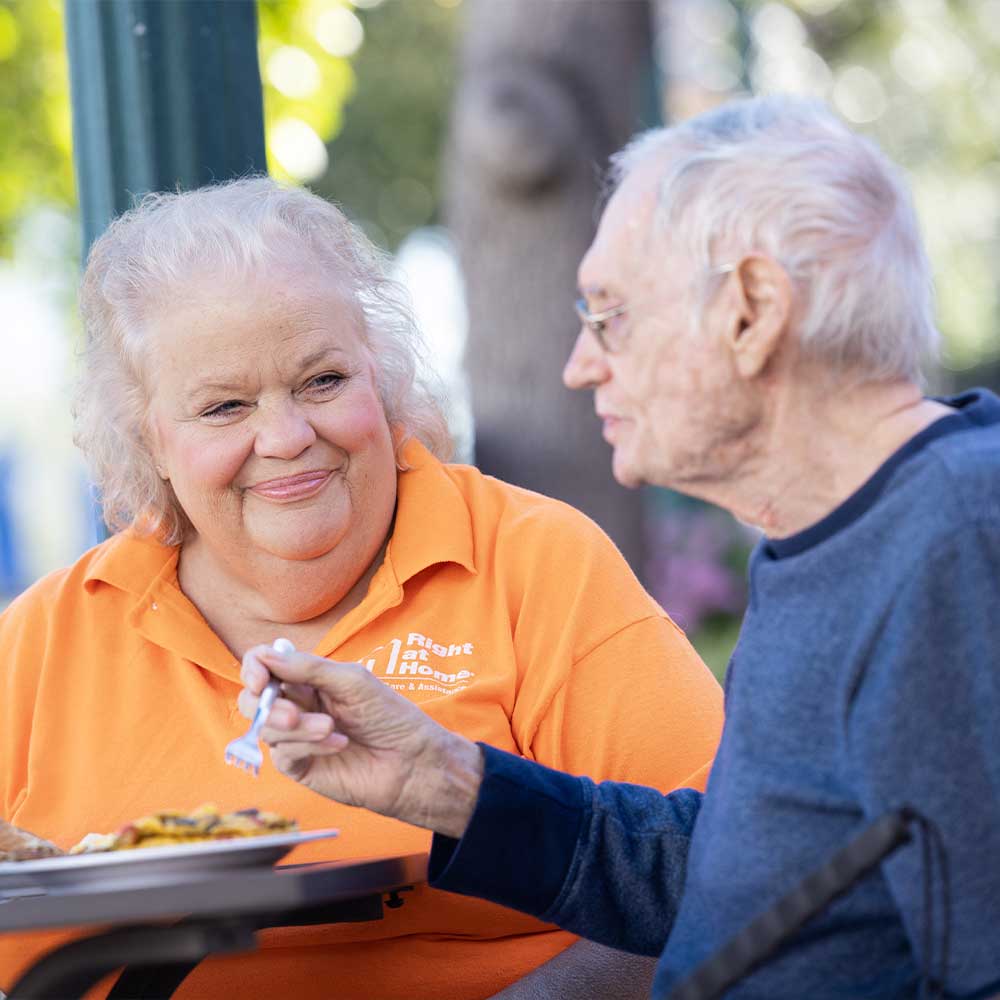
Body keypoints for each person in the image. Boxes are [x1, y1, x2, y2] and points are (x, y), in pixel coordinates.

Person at [239, 95, 1000, 999]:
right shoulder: (855, 535)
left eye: (612, 315)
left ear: (751, 312)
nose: (581, 363)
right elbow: (741, 884)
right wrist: (442, 778)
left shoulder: (957, 543)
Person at [0, 180, 725, 999]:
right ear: (149, 440)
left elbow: (730, 877)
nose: (285, 438)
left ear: (379, 379)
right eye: (225, 406)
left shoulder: (531, 564)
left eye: (322, 381)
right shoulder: (47, 637)